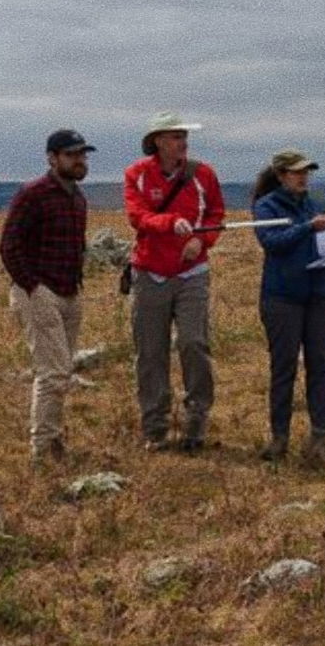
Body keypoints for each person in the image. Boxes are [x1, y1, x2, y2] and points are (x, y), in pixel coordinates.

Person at [123, 111, 225, 452]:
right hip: (150, 273)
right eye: (175, 136)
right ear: (158, 141)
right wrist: (170, 222)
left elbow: (215, 215)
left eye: (184, 135)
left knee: (194, 343)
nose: (183, 142)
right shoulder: (137, 175)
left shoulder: (203, 174)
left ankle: (197, 421)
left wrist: (202, 241)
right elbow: (137, 217)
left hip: (192, 272)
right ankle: (155, 429)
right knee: (150, 352)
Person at [0, 128, 95, 465]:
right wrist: (32, 287)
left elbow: (77, 244)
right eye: (72, 155)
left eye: (83, 154)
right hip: (39, 292)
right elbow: (9, 245)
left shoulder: (78, 198)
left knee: (63, 371)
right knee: (53, 372)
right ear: (52, 158)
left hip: (69, 291)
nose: (80, 160)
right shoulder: (33, 194)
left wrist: (76, 282)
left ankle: (52, 441)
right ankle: (43, 451)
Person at [251, 149, 325, 462]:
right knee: (283, 367)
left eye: (306, 172)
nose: (303, 177)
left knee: (320, 365)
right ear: (281, 175)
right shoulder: (266, 207)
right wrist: (307, 228)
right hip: (283, 297)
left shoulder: (312, 205)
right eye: (297, 172)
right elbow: (272, 243)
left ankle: (320, 436)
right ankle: (279, 437)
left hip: (320, 294)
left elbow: (319, 244)